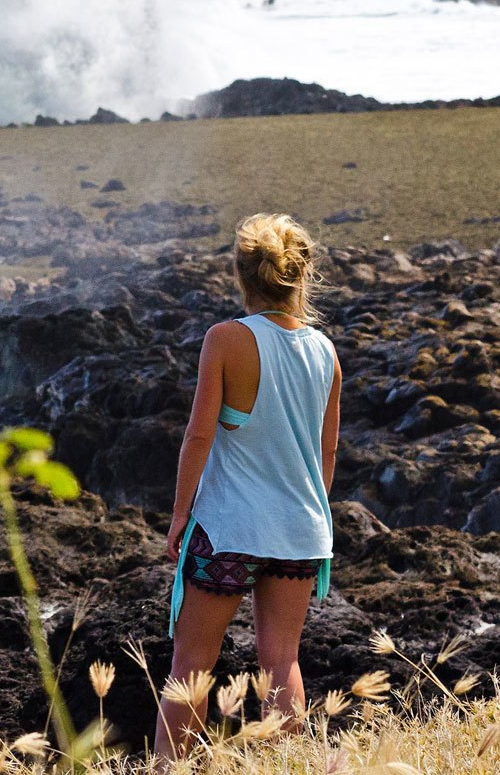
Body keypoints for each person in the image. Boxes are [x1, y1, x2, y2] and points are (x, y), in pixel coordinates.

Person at [154, 213, 341, 766]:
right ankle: (284, 766)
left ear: (241, 276)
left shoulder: (226, 339)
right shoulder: (326, 353)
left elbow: (199, 436)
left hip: (229, 530)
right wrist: (312, 512)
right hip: (301, 530)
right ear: (300, 276)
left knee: (192, 663)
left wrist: (180, 515)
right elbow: (326, 453)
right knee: (282, 659)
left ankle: (169, 768)